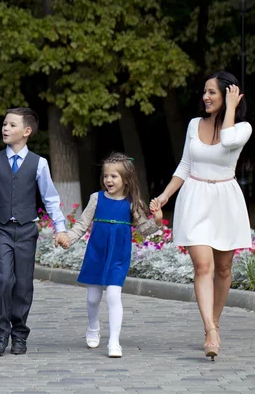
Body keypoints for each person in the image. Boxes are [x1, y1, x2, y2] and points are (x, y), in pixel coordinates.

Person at [149, 71, 252, 361]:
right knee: (203, 265)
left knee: (223, 269)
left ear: (228, 96)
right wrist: (165, 196)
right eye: (204, 92)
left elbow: (229, 140)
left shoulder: (243, 128)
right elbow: (185, 164)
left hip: (225, 201)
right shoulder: (195, 125)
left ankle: (215, 322)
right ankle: (209, 329)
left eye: (212, 93)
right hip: (194, 198)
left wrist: (231, 109)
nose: (205, 97)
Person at [0, 107, 69, 356]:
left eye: (12, 125)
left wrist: (60, 228)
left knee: (23, 285)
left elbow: (50, 198)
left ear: (26, 131)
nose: (5, 128)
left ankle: (19, 335)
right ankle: (0, 335)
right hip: (2, 230)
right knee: (4, 279)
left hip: (27, 230)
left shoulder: (39, 163)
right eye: (4, 124)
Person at [56, 153, 163, 358]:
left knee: (114, 295)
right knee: (93, 297)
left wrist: (156, 220)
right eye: (106, 176)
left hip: (118, 255)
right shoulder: (96, 198)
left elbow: (143, 229)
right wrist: (68, 238)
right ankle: (93, 327)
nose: (108, 180)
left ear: (126, 179)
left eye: (114, 176)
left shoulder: (133, 203)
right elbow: (82, 224)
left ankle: (114, 341)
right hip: (97, 252)